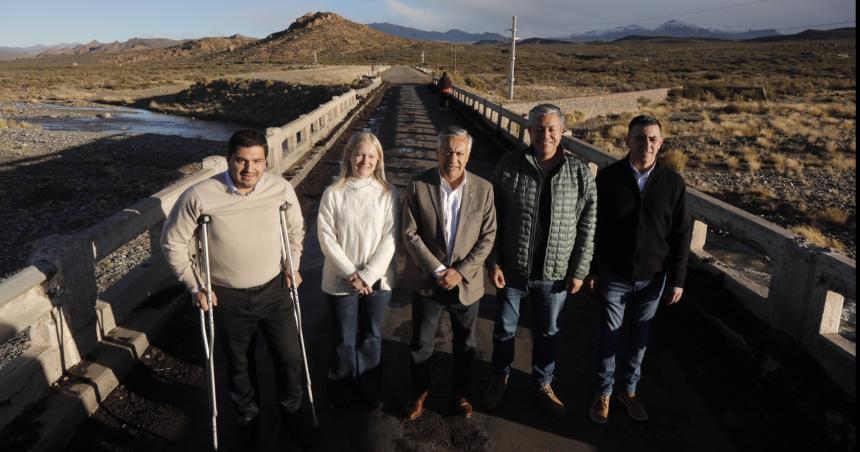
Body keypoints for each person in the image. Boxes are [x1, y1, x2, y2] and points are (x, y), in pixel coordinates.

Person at [160, 129, 306, 430]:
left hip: (275, 288)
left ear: (266, 162)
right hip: (226, 295)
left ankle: (292, 412)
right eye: (241, 160)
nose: (248, 168)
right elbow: (173, 242)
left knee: (290, 356)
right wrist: (195, 285)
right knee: (239, 364)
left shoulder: (280, 189)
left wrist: (294, 264)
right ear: (229, 160)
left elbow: (295, 230)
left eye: (257, 161)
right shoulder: (199, 195)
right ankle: (248, 415)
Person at [483, 104, 597, 418]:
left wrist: (580, 270)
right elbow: (492, 219)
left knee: (548, 332)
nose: (544, 135)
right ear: (528, 131)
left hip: (556, 274)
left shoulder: (579, 173)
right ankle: (499, 376)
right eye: (538, 128)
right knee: (504, 329)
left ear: (561, 132)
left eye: (551, 129)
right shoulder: (509, 165)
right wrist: (493, 262)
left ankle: (543, 383)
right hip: (513, 268)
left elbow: (588, 225)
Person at [586, 115, 692, 424]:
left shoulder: (673, 183)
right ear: (627, 141)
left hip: (653, 279)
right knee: (608, 336)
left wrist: (678, 279)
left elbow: (681, 234)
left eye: (652, 139)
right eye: (640, 138)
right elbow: (595, 228)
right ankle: (603, 392)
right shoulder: (609, 178)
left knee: (639, 339)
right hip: (614, 275)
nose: (646, 144)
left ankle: (628, 391)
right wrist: (592, 269)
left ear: (661, 142)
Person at [401, 126, 496, 420]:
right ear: (437, 152)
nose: (452, 158)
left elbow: (488, 235)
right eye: (446, 151)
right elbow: (409, 232)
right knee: (421, 341)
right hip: (428, 280)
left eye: (459, 152)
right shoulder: (418, 185)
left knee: (465, 343)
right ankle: (420, 391)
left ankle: (461, 392)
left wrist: (460, 272)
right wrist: (440, 270)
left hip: (465, 284)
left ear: (468, 155)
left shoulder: (483, 188)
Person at [317, 131, 399, 412]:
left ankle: (369, 388)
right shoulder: (333, 193)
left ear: (378, 160)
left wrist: (368, 275)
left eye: (371, 156)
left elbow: (391, 238)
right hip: (341, 280)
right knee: (343, 338)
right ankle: (341, 391)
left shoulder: (388, 194)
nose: (365, 161)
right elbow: (327, 238)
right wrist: (352, 273)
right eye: (359, 154)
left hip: (377, 281)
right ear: (349, 156)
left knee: (371, 336)